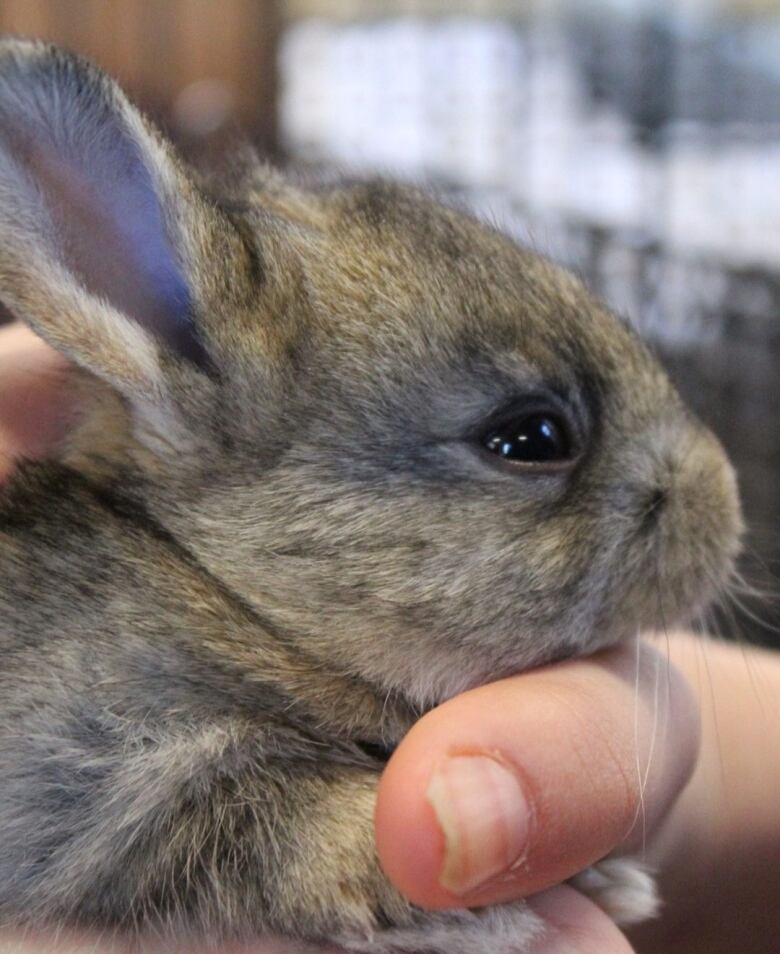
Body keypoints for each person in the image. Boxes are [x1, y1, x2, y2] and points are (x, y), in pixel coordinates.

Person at [0, 323, 778, 954]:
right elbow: (55, 801)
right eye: (528, 441)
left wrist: (659, 807)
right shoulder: (97, 622)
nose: (701, 489)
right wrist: (322, 847)